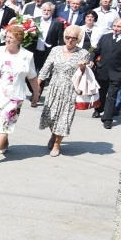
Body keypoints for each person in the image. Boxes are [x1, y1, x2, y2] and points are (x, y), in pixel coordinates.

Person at [0, 25, 41, 165]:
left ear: (19, 40)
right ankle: (4, 142)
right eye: (6, 37)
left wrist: (36, 93)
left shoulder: (27, 56)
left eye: (11, 38)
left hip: (15, 96)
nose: (7, 40)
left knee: (4, 121)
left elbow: (32, 76)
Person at [38, 26, 90, 156]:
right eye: (68, 37)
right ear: (64, 37)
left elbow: (85, 74)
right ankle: (53, 135)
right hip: (54, 87)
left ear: (78, 40)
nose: (70, 40)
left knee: (64, 118)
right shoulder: (55, 50)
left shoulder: (83, 53)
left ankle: (57, 144)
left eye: (74, 38)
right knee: (51, 116)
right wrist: (38, 85)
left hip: (70, 89)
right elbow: (46, 67)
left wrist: (83, 67)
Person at [91, 18, 121, 129]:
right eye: (114, 26)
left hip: (118, 72)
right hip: (102, 70)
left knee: (112, 96)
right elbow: (97, 50)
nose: (115, 28)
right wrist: (92, 60)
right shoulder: (105, 37)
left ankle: (107, 119)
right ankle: (99, 109)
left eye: (118, 26)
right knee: (101, 92)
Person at [33, 2, 65, 73]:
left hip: (48, 52)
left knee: (45, 73)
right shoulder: (35, 20)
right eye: (44, 10)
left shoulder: (58, 23)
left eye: (48, 10)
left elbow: (61, 40)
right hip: (35, 51)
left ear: (52, 11)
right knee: (33, 71)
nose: (46, 12)